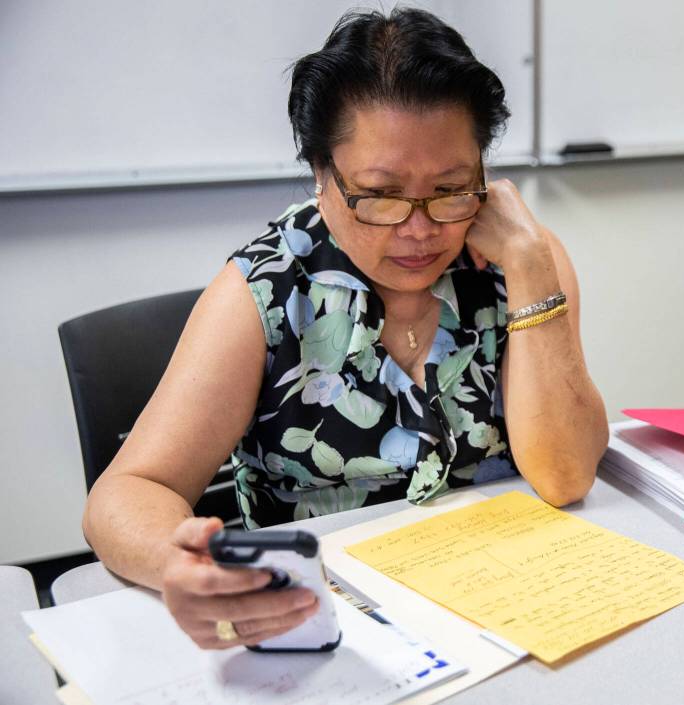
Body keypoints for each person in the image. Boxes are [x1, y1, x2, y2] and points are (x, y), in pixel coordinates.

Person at [82, 7, 608, 650]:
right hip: (326, 630)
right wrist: (181, 568)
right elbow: (128, 492)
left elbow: (567, 477)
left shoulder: (519, 260)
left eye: (451, 188)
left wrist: (530, 264)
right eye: (380, 194)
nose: (418, 229)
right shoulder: (267, 290)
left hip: (509, 611)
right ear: (321, 176)